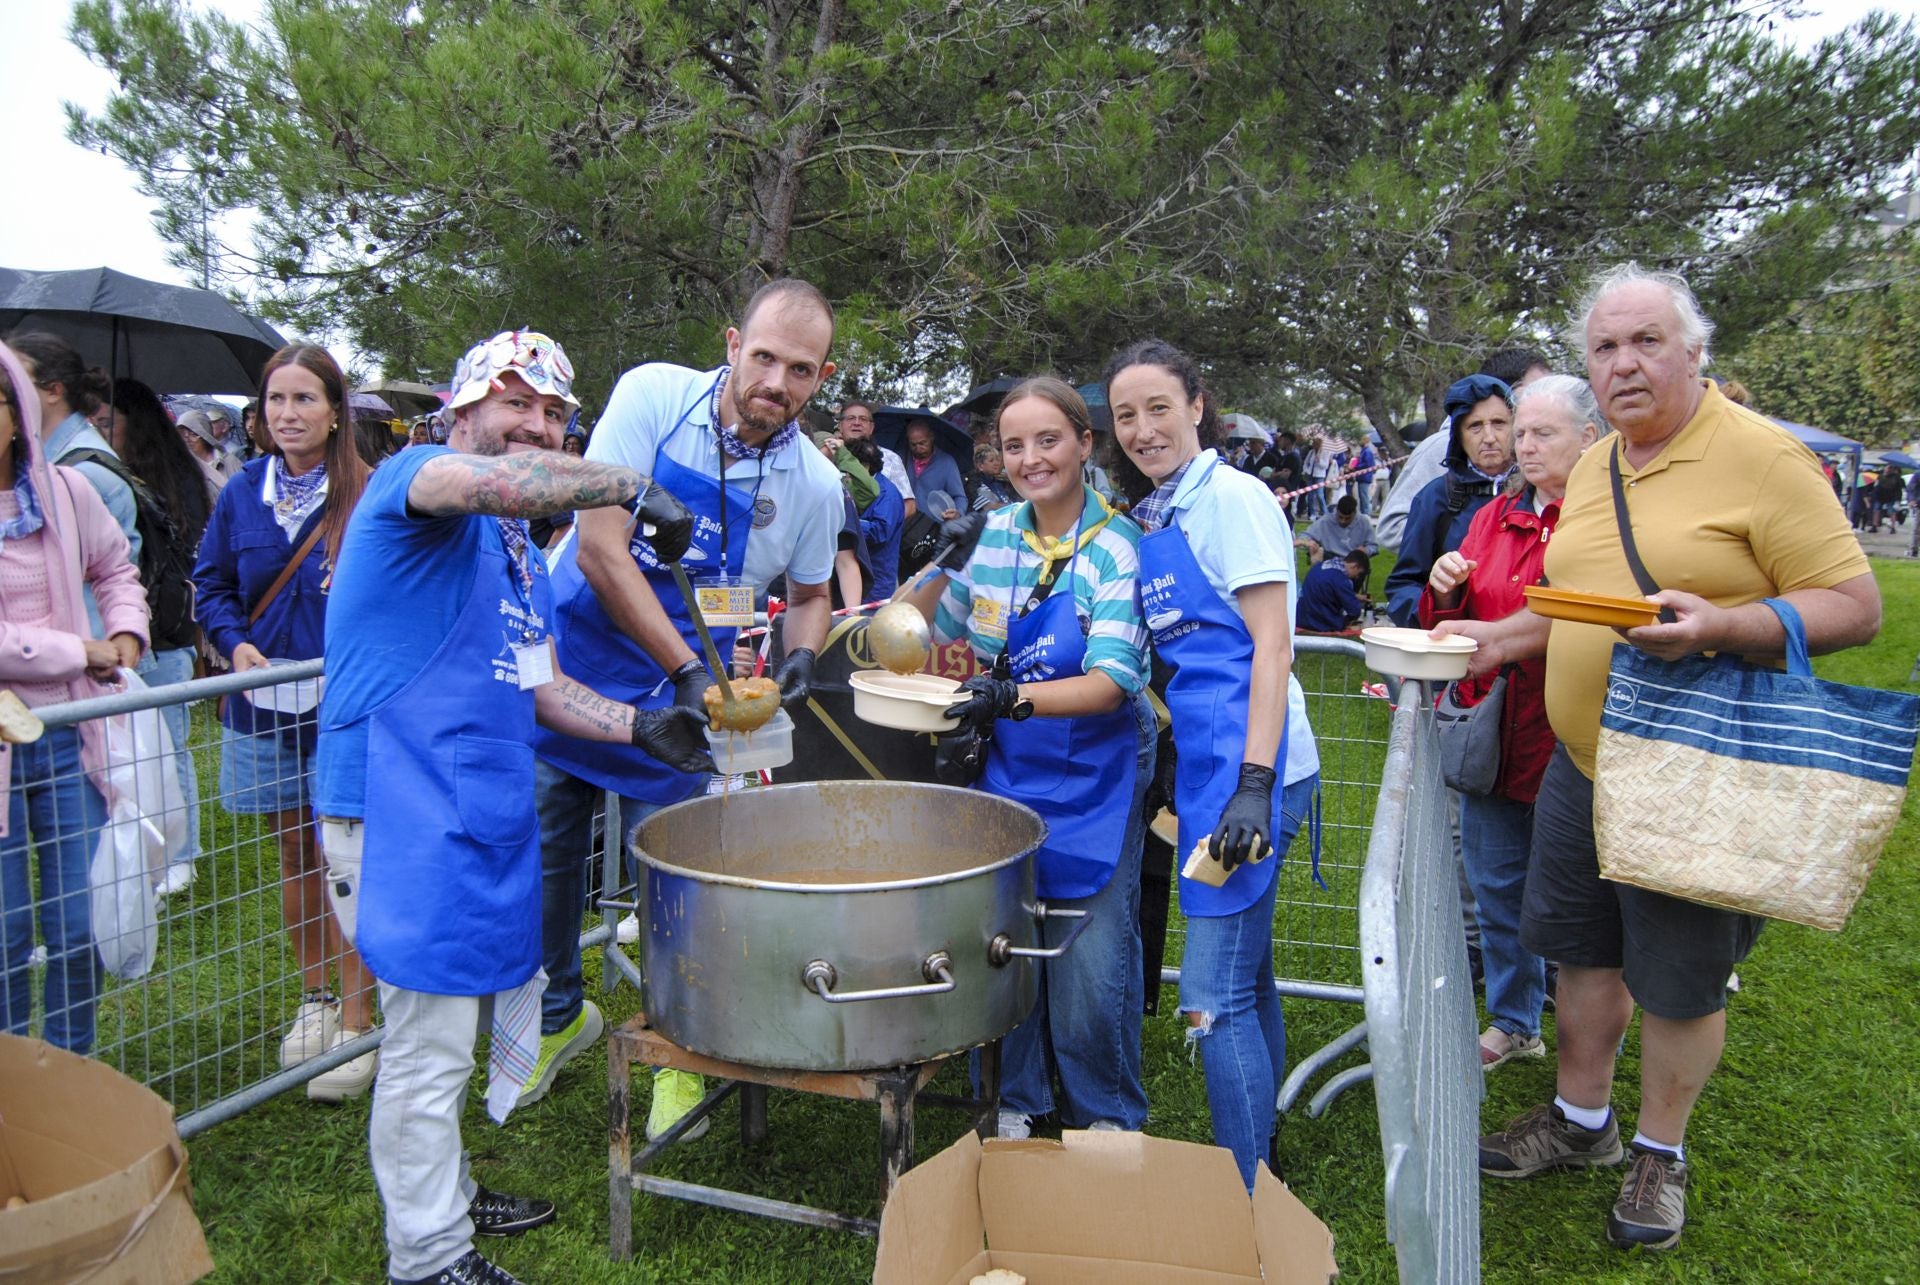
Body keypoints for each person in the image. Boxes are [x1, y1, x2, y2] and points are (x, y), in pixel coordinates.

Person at [1453, 265, 1878, 1251]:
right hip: (1583, 761)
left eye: (1647, 341)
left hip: (1694, 769)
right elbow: (1578, 602)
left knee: (1681, 977)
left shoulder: (1764, 459)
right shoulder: (1598, 466)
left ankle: (1660, 1148)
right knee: (1581, 951)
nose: (1625, 363)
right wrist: (1500, 640)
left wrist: (1728, 621)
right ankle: (1580, 1119)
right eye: (1605, 347)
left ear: (1695, 350)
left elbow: (1856, 606)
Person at [315, 328, 711, 1285]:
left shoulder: (518, 554)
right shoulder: (420, 476)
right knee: (427, 1039)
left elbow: (543, 686)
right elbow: (492, 481)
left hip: (469, 810)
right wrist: (625, 485)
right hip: (395, 808)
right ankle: (429, 1254)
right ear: (462, 413)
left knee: (452, 1029)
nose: (536, 424)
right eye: (515, 404)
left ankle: (439, 1188)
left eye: (552, 413)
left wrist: (642, 725)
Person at [531, 280, 845, 1139]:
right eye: (767, 356)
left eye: (802, 370)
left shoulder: (814, 483)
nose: (778, 381)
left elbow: (812, 593)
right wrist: (678, 669)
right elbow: (599, 547)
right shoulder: (651, 395)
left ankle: (682, 1049)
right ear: (734, 342)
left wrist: (804, 656)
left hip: (693, 697)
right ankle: (556, 1016)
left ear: (820, 381)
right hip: (577, 670)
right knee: (546, 865)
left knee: (677, 887)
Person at [895, 377, 1154, 1139]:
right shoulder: (995, 533)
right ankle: (1014, 1097)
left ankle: (1105, 1111)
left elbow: (1109, 683)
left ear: (1084, 443)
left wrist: (1006, 697)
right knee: (1001, 938)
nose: (1032, 458)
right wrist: (937, 561)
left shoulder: (1117, 545)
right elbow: (907, 633)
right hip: (1006, 763)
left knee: (1090, 949)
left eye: (1049, 440)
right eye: (1014, 445)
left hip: (1097, 765)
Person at [1106, 339, 1321, 1190]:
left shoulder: (1231, 498)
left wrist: (1256, 787)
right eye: (1126, 415)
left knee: (1209, 995)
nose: (1143, 428)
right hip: (1206, 771)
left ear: (1199, 405)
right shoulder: (1163, 509)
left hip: (1254, 773)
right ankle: (1263, 1149)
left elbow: (1274, 645)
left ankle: (1247, 1194)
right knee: (1248, 972)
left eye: (1160, 407)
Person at [193, 343, 380, 1101]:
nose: (289, 414)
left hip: (346, 708)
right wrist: (233, 641)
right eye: (276, 401)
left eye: (305, 399)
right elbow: (210, 583)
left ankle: (360, 1018)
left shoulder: (366, 493)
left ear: (336, 410)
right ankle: (319, 998)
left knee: (351, 856)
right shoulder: (242, 493)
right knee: (295, 857)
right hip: (263, 707)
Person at [1418, 375, 1599, 1071]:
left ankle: (1587, 1045)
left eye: (1541, 433)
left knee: (1579, 897)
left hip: (1575, 734)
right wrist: (1447, 585)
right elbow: (1454, 628)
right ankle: (1516, 1017)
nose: (1522, 446)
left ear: (1590, 438)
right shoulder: (1492, 517)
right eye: (1520, 432)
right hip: (1495, 732)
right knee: (1495, 884)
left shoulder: (1603, 523)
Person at [0, 340, 147, 1056]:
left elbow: (115, 563)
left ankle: (70, 1071)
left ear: (18, 409)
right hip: (10, 733)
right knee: (4, 927)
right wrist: (75, 649)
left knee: (77, 916)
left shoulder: (66, 489)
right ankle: (10, 1094)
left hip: (67, 732)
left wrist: (125, 630)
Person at [107, 377, 213, 897]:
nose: (102, 432)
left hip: (165, 637)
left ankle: (182, 856)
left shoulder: (162, 483)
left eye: (110, 423)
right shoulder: (111, 476)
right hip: (143, 634)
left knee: (169, 748)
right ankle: (147, 856)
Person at [1377, 347, 1549, 548]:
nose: (1545, 400)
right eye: (1534, 392)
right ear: (1502, 393)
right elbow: (1391, 526)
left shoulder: (1534, 447)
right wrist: (1462, 551)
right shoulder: (1440, 447)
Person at [1384, 374, 1517, 627]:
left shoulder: (1536, 492)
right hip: (1453, 652)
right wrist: (1436, 607)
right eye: (1475, 426)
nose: (1488, 436)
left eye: (1499, 423)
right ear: (1458, 435)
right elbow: (1403, 586)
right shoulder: (1434, 498)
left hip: (1522, 650)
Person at [846, 437, 904, 599]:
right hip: (855, 573)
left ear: (865, 466)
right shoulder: (857, 488)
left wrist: (847, 523)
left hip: (877, 580)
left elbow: (879, 532)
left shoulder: (887, 495)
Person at [837, 399, 915, 517]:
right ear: (840, 426)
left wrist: (884, 524)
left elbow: (909, 504)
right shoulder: (827, 454)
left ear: (871, 427)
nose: (857, 422)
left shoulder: (890, 458)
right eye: (851, 418)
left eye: (863, 419)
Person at [903, 417, 966, 518]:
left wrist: (958, 512)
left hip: (934, 524)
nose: (918, 448)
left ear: (931, 437)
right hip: (905, 523)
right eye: (913, 445)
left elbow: (960, 497)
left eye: (922, 443)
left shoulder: (946, 462)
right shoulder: (901, 458)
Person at [1295, 549, 1370, 633]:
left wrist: (1354, 596)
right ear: (1354, 566)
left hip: (1302, 617)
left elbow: (1328, 588)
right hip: (1319, 623)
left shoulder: (1321, 566)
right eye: (1359, 573)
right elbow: (1354, 610)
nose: (1357, 577)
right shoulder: (1340, 579)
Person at [176, 409, 241, 491]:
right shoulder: (179, 468)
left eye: (193, 434)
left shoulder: (230, 462)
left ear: (205, 435)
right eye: (182, 434)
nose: (187, 439)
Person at [1300, 494, 1377, 563]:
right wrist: (1308, 543)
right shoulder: (1326, 520)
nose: (1343, 521)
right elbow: (1304, 536)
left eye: (1347, 518)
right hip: (1329, 561)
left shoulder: (1363, 522)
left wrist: (1366, 551)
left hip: (1352, 563)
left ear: (1354, 513)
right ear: (1337, 511)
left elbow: (1373, 546)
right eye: (1340, 517)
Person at [968, 438, 1018, 509]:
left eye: (997, 460)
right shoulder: (975, 485)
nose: (996, 463)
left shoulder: (1001, 480)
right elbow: (989, 508)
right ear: (980, 466)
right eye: (991, 461)